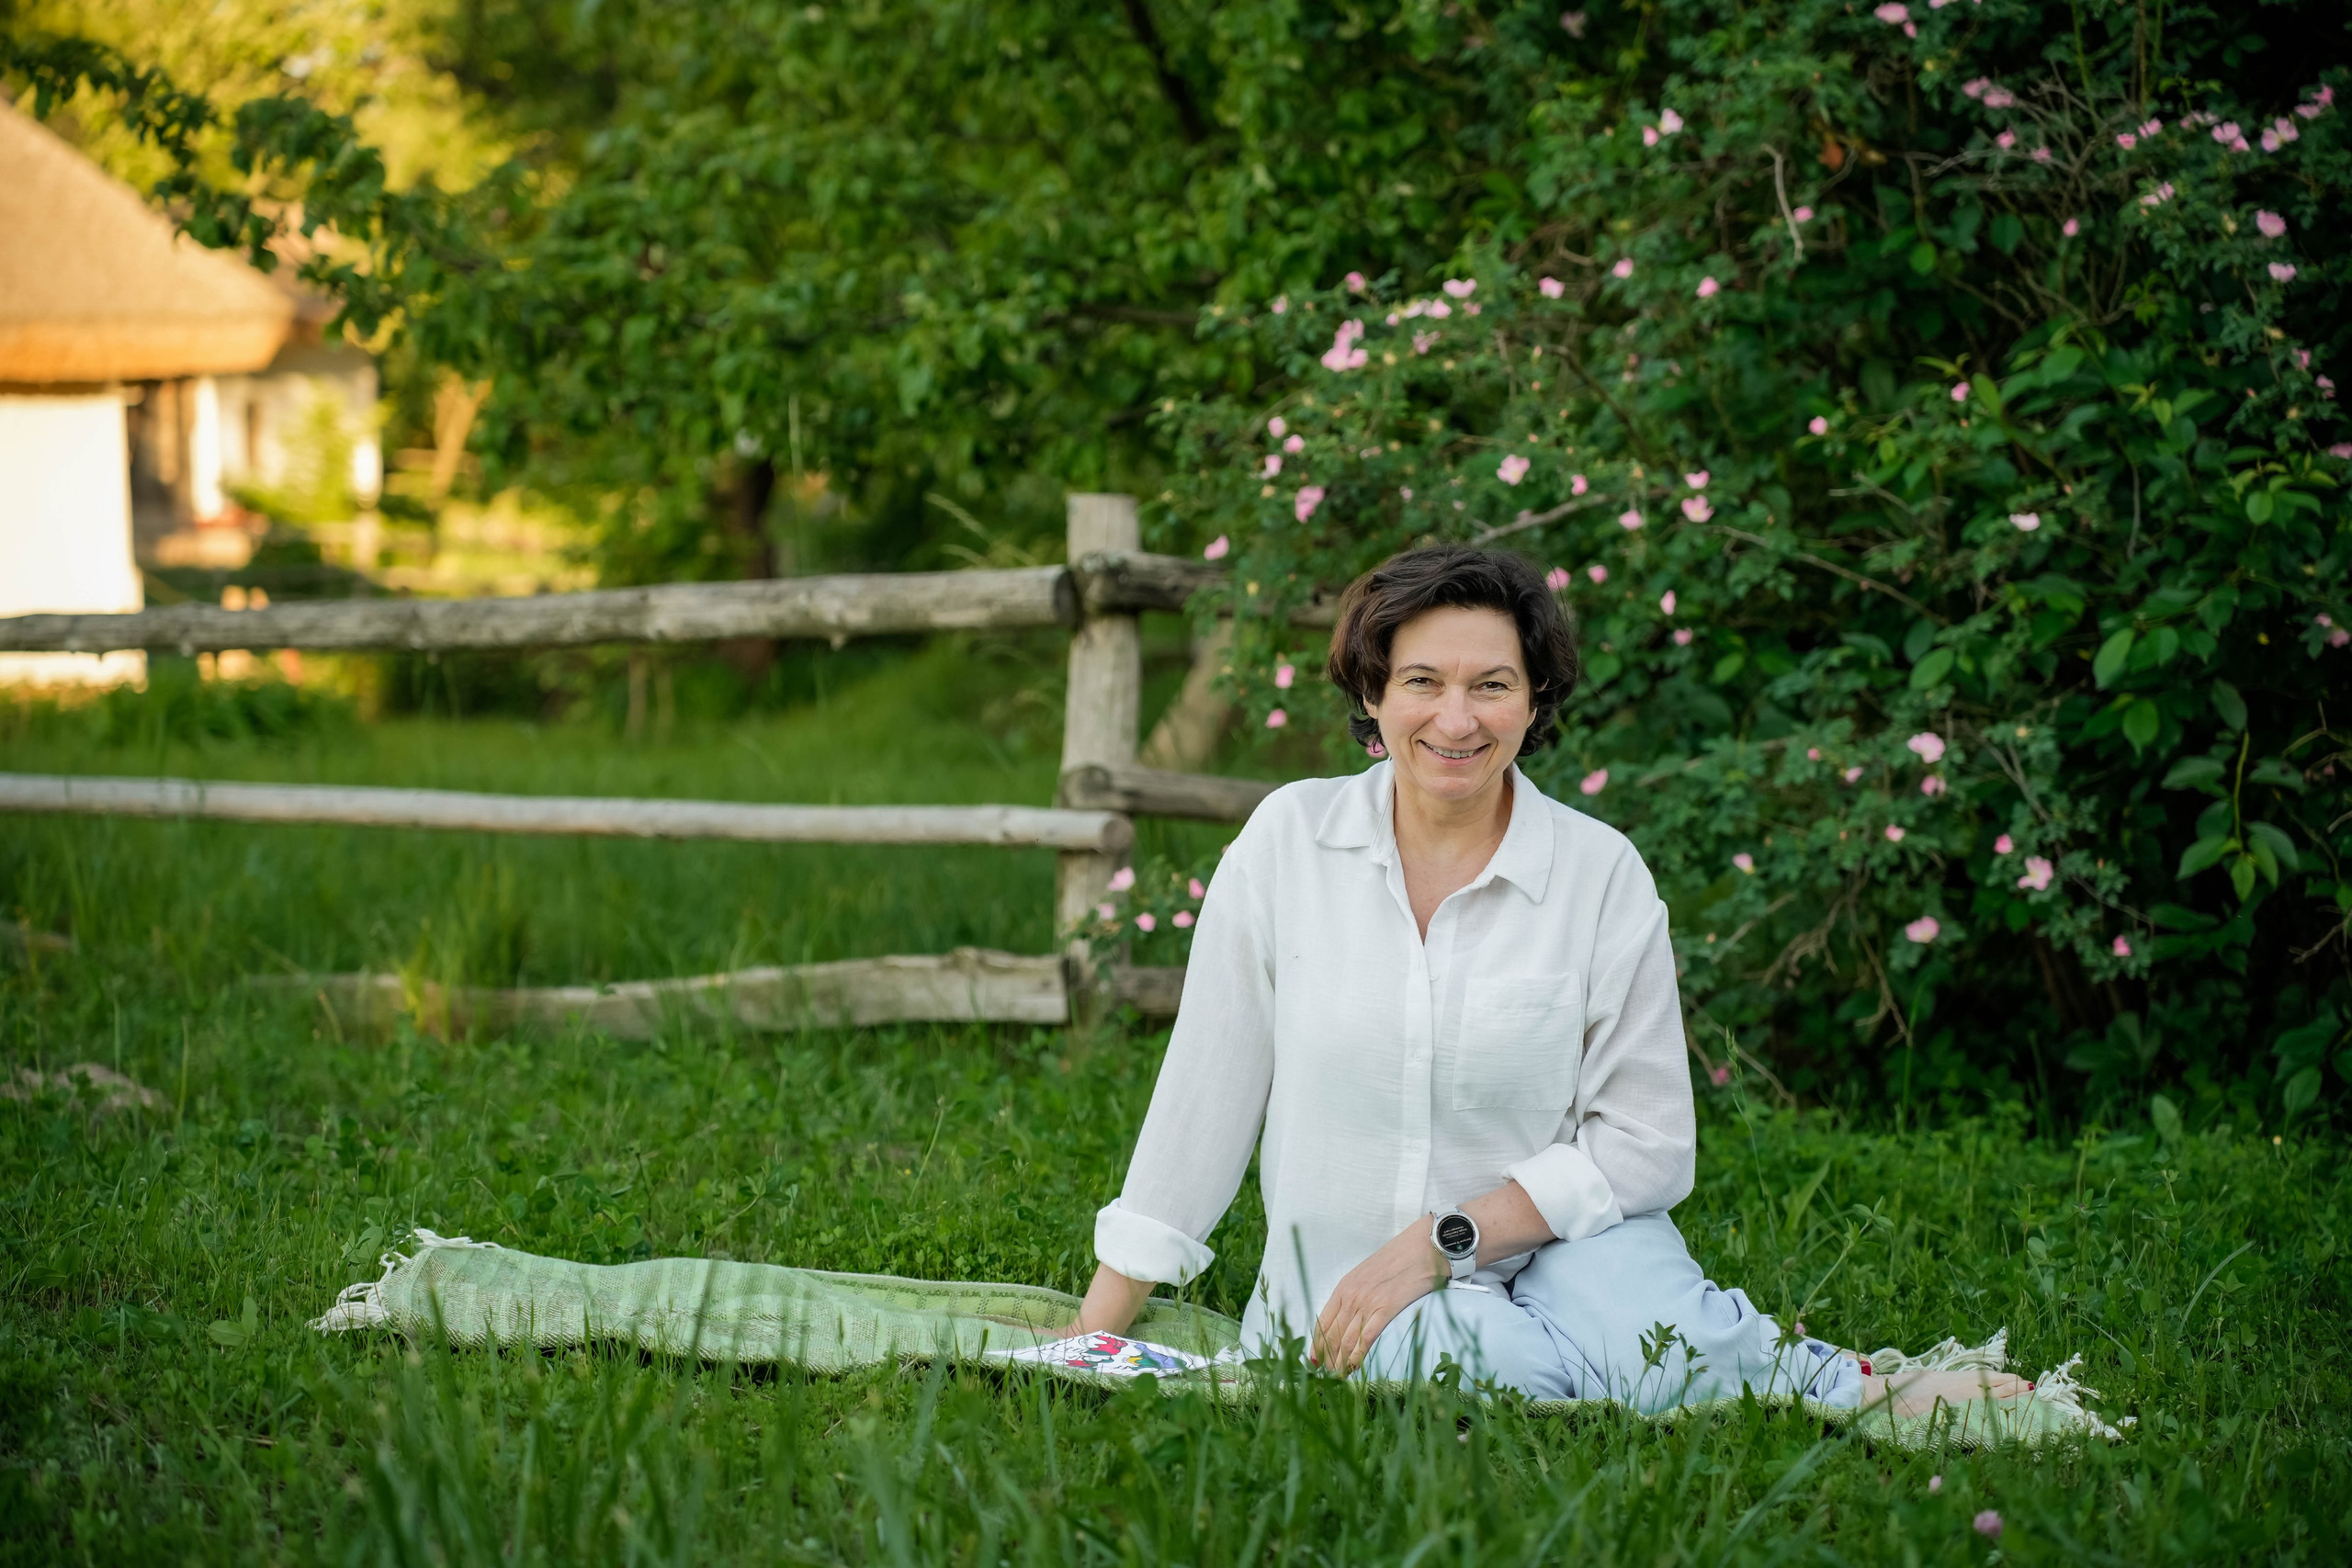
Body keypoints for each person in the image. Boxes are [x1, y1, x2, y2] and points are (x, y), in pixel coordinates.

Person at [1069, 544, 2026, 1416]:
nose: (1456, 718)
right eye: (1421, 681)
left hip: (1567, 1248)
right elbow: (1205, 1092)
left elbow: (1647, 1143)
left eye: (1492, 685)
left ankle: (1825, 1380)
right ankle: (1718, 1363)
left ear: (1534, 703)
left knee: (1645, 1346)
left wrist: (1444, 1239)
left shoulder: (1600, 872)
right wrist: (1094, 1329)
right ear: (1372, 691)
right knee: (1495, 1369)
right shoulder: (1288, 843)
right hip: (1353, 1293)